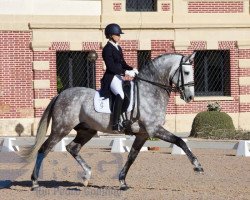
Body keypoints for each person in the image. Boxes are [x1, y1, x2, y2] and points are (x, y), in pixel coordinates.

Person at [100, 23, 138, 132]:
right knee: (120, 95)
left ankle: (124, 118)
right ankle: (115, 123)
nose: (119, 37)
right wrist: (125, 72)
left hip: (119, 75)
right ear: (111, 35)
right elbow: (111, 66)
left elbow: (123, 63)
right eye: (117, 35)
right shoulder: (107, 49)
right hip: (111, 77)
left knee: (128, 93)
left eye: (119, 35)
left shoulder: (118, 48)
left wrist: (132, 69)